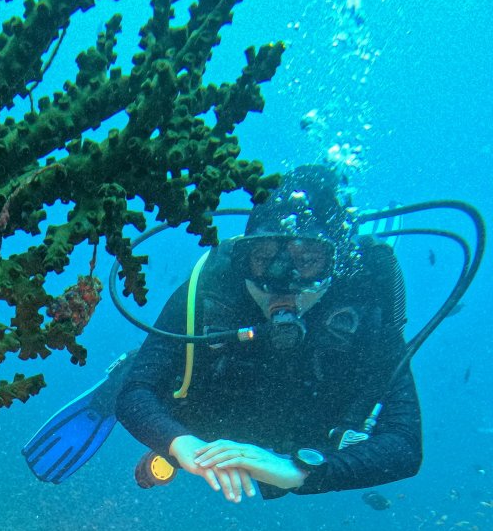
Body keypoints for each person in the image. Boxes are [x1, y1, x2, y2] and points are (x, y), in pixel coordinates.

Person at [114, 165, 423, 502]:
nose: (281, 280)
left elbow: (404, 445)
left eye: (307, 261)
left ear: (334, 264)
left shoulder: (362, 305)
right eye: (262, 258)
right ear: (243, 255)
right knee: (135, 374)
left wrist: (299, 473)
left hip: (301, 444)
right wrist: (179, 443)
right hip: (202, 424)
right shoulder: (215, 286)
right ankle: (116, 375)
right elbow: (136, 393)